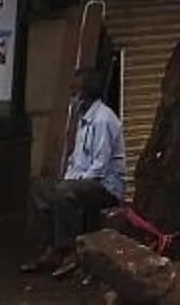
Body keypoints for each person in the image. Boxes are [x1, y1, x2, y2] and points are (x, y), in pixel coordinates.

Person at [28, 85, 126, 269]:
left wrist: (72, 183)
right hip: (84, 181)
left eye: (75, 94)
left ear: (84, 96)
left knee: (64, 191)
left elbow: (100, 166)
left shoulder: (103, 120)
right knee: (40, 188)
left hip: (106, 186)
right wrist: (68, 180)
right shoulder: (83, 119)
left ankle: (70, 249)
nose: (73, 99)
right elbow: (76, 161)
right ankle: (52, 247)